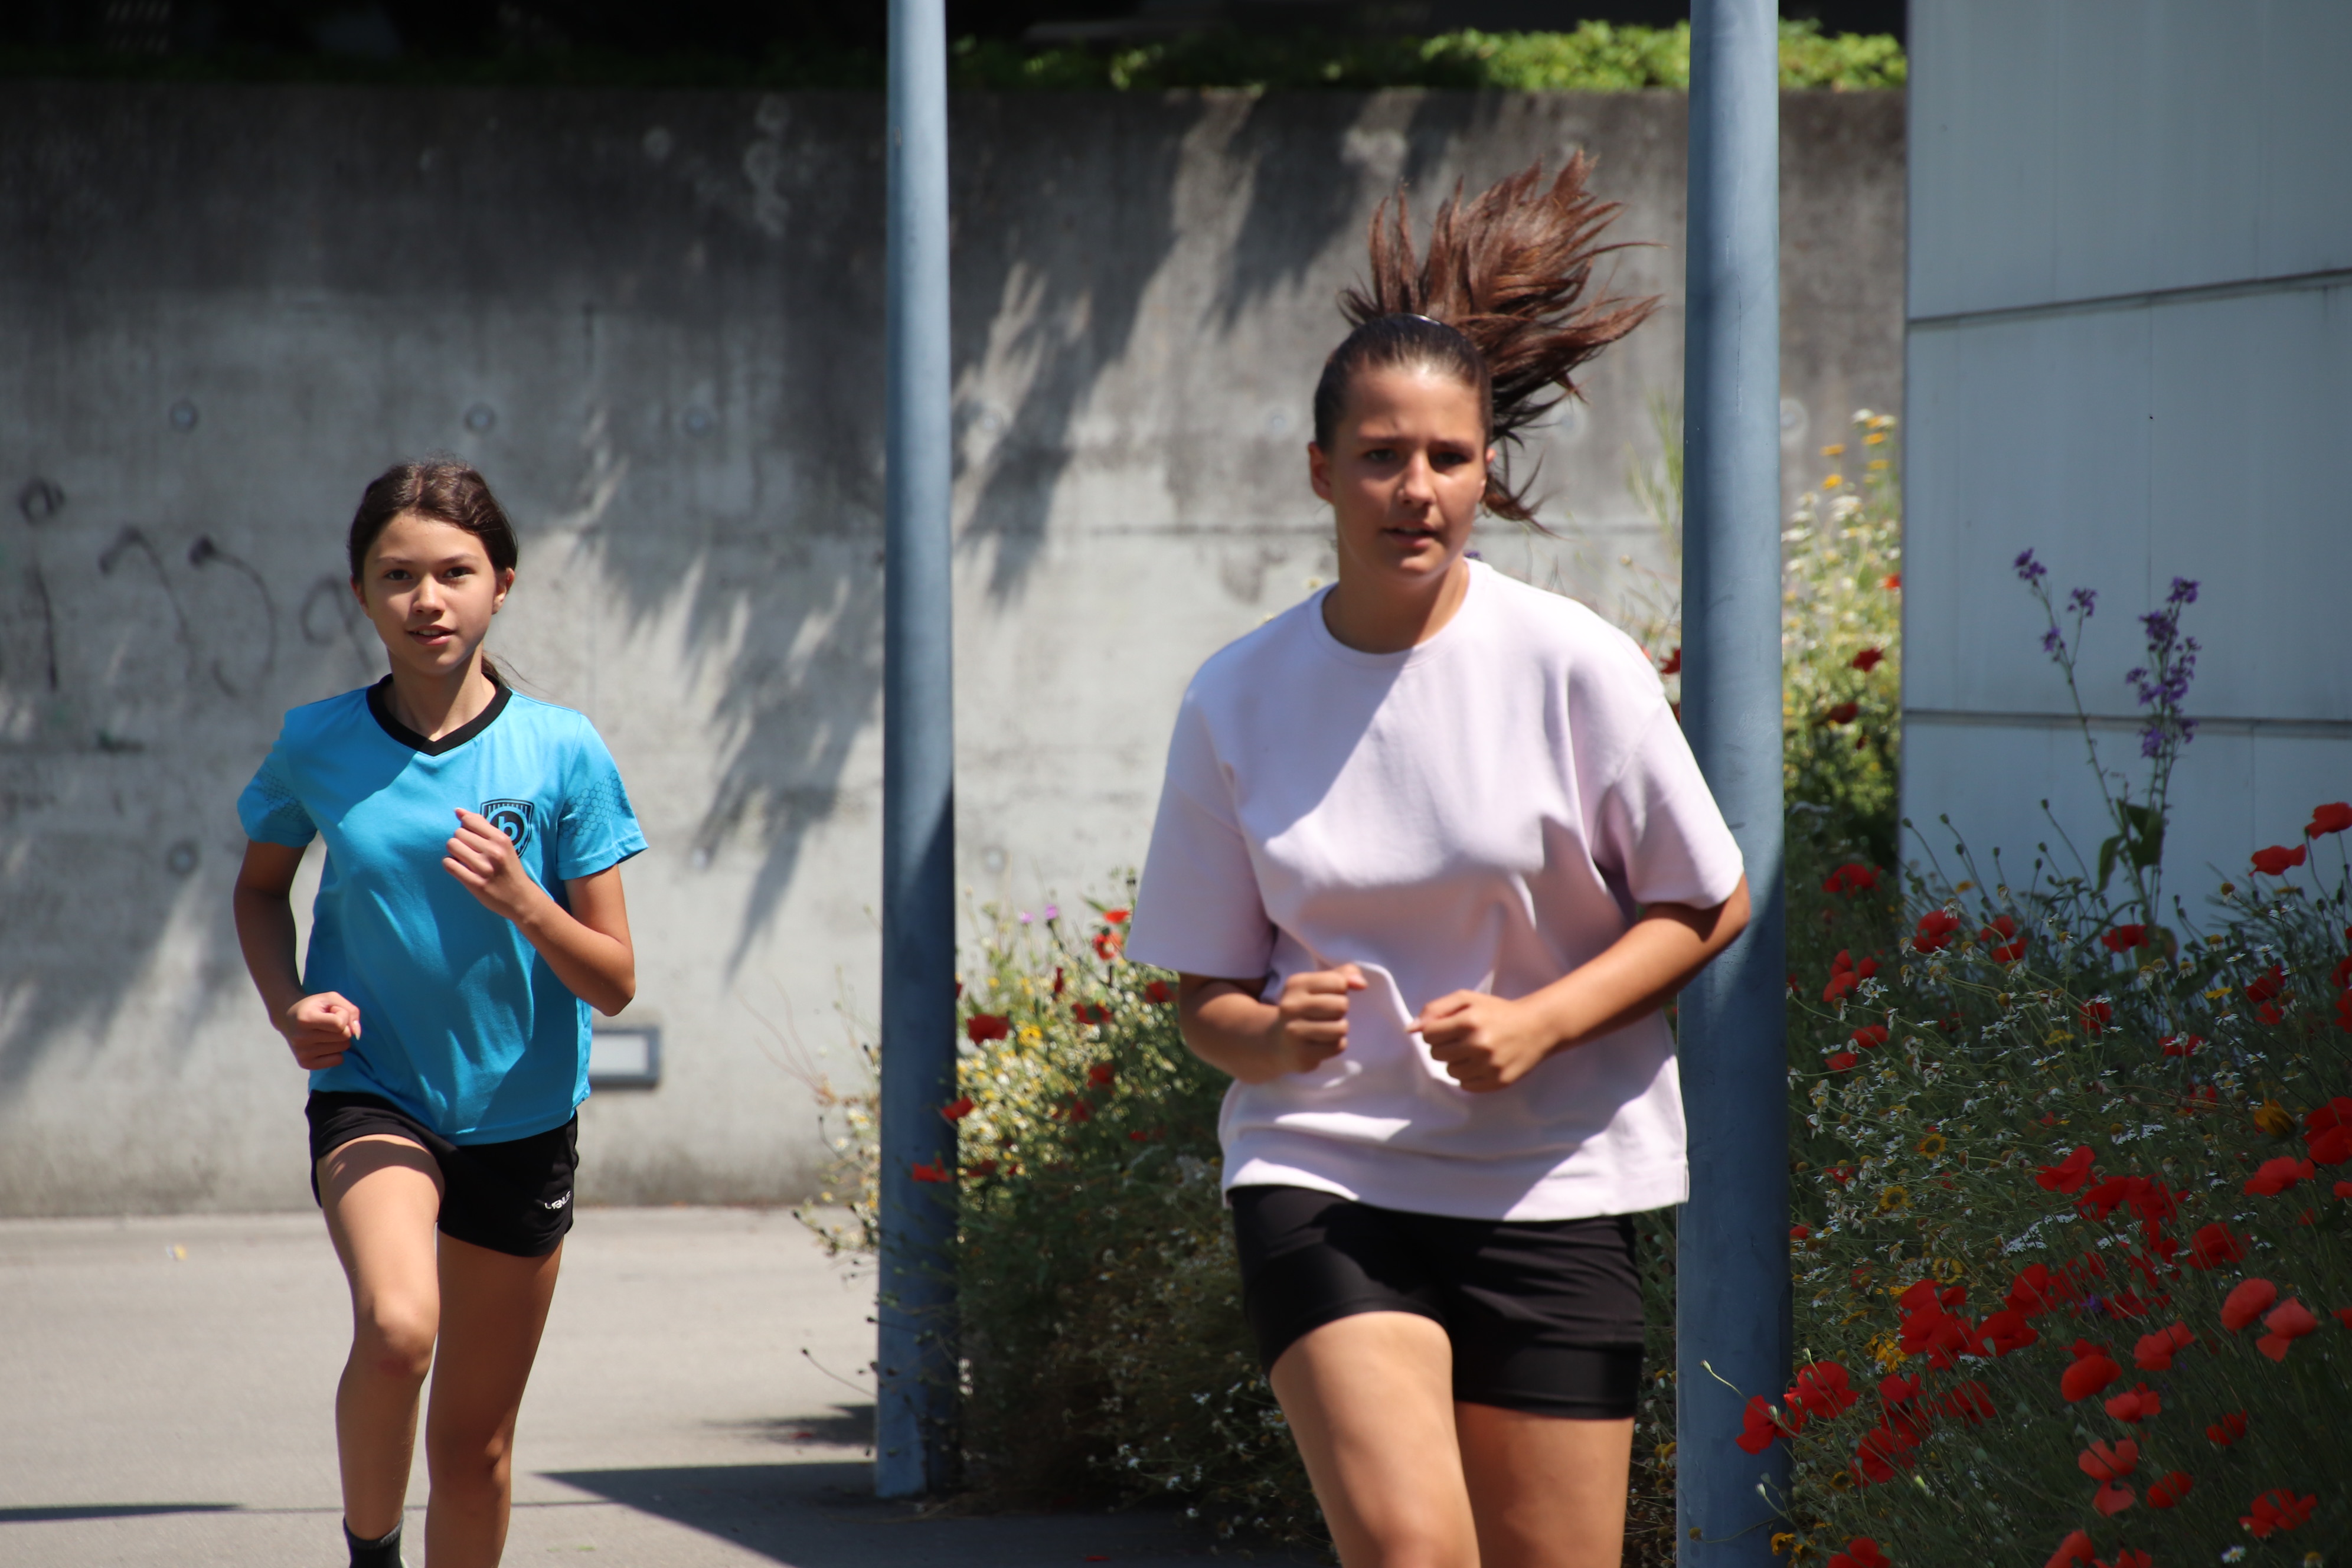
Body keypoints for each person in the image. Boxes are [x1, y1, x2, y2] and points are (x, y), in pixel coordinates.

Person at [1124, 160, 1751, 1568]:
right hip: (1324, 1171)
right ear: (1321, 470)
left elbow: (1709, 898)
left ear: (1487, 469)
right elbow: (1203, 996)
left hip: (1556, 1180)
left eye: (1450, 459)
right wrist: (1270, 1035)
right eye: (1380, 456)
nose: (1417, 490)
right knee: (1411, 1549)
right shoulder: (1236, 696)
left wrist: (1545, 1020)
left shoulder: (1571, 661)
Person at [231, 460, 645, 1568]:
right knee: (398, 1326)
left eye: (455, 573)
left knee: (474, 1453)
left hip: (522, 1118)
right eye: (398, 575)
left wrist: (527, 902)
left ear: (502, 584)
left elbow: (614, 980)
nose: (428, 599)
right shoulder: (316, 742)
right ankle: (371, 1554)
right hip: (376, 1091)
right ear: (361, 595)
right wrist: (290, 1007)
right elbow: (259, 891)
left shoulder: (563, 749)